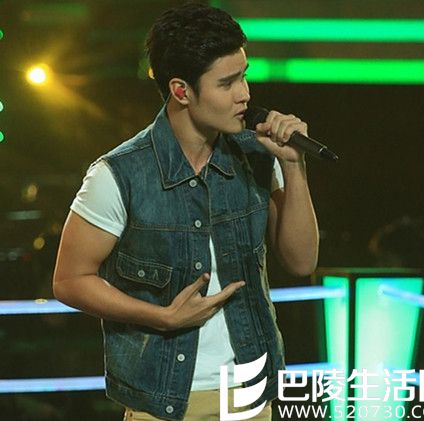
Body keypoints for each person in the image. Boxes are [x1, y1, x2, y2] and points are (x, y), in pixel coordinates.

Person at [52, 3, 319, 420]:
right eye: (227, 82)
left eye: (244, 75)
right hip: (162, 400)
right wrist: (161, 317)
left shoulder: (256, 155)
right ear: (181, 91)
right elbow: (70, 280)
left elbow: (302, 261)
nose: (245, 94)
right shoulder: (120, 174)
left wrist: (293, 166)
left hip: (249, 393)